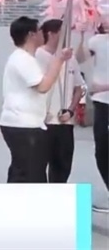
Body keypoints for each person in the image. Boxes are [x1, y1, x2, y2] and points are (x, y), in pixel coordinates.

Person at [0, 16, 73, 183]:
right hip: (23, 125)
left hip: (27, 123)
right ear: (31, 35)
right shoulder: (22, 59)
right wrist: (59, 60)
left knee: (25, 170)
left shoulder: (26, 58)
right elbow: (43, 86)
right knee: (30, 173)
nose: (43, 33)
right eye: (40, 30)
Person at [35, 19, 85, 183]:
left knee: (63, 165)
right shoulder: (38, 55)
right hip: (43, 121)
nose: (68, 36)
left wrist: (71, 110)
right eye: (63, 33)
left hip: (64, 122)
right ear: (51, 34)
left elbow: (79, 87)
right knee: (38, 165)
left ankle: (57, 193)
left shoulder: (71, 59)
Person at [78, 21, 109, 201]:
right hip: (102, 102)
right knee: (102, 148)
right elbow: (79, 59)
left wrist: (102, 87)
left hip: (101, 92)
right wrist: (82, 37)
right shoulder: (96, 41)